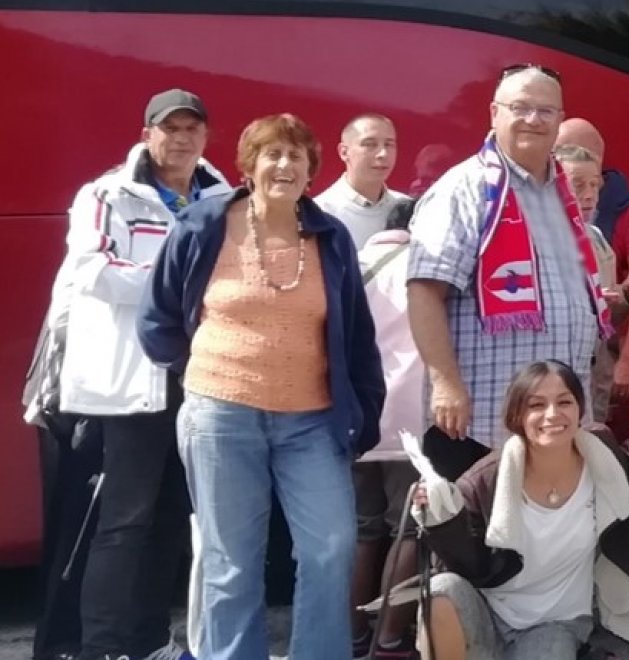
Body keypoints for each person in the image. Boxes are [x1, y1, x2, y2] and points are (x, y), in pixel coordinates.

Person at [139, 112, 386, 660]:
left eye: (295, 156)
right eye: (272, 154)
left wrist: (364, 414)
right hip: (221, 418)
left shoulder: (330, 237)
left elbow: (357, 336)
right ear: (249, 167)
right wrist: (206, 370)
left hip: (311, 422)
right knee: (232, 561)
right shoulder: (204, 225)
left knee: (330, 548)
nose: (284, 165)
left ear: (311, 170)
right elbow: (157, 319)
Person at [42, 87, 230, 660]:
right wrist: (180, 287)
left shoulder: (223, 199)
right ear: (148, 132)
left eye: (192, 128)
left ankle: (151, 641)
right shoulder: (105, 194)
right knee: (123, 521)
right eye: (170, 128)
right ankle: (102, 647)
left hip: (200, 379)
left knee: (173, 516)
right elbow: (93, 269)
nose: (181, 139)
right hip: (130, 386)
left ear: (205, 136)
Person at [408, 64, 613, 447]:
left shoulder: (564, 195)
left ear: (559, 120)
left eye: (546, 111)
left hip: (557, 426)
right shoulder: (463, 189)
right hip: (482, 424)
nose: (533, 120)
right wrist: (445, 383)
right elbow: (424, 291)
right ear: (494, 113)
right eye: (520, 107)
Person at [410, 360, 629, 660]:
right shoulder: (486, 478)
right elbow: (469, 565)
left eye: (564, 402)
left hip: (557, 624)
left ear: (580, 409)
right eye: (537, 405)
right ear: (517, 415)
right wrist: (439, 516)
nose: (553, 414)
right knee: (442, 589)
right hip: (489, 614)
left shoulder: (600, 455)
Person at [352, 198, 427, 659]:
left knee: (361, 530)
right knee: (410, 529)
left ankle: (354, 636)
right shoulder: (423, 265)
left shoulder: (351, 263)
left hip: (356, 416)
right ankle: (392, 640)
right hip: (410, 419)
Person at [553, 143, 628, 432]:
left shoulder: (595, 237)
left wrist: (625, 299)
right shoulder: (538, 239)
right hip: (558, 378)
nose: (588, 195)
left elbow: (611, 319)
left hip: (596, 374)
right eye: (578, 185)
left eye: (595, 186)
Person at [316, 113, 411, 249]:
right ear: (344, 152)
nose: (383, 154)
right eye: (370, 144)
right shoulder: (322, 213)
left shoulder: (408, 208)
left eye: (389, 145)